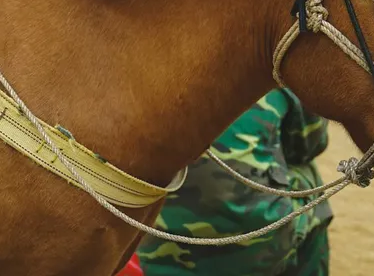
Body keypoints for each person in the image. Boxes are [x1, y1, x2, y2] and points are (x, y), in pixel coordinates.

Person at [132, 89, 333, 276]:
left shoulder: (145, 62)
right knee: (309, 181)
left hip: (149, 242)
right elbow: (310, 143)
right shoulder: (271, 59)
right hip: (257, 242)